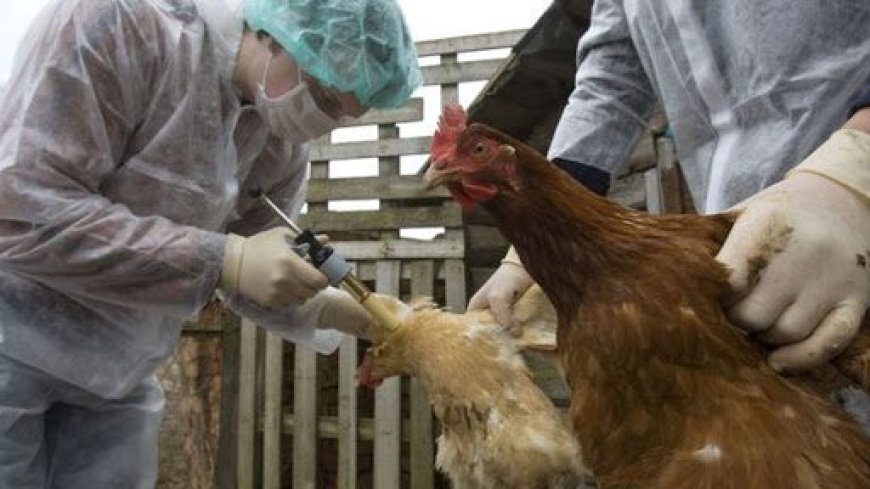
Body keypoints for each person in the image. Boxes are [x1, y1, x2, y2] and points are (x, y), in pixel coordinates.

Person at [0, 0, 421, 486]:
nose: (322, 123)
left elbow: (250, 275)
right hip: (13, 338)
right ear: (277, 32)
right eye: (324, 97)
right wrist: (224, 257)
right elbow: (21, 208)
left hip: (120, 370)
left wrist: (331, 310)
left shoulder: (279, 141)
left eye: (343, 116)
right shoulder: (125, 24)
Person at [471, 1, 870, 374]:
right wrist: (542, 230)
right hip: (733, 221)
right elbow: (609, 86)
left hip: (847, 188)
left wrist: (850, 174)